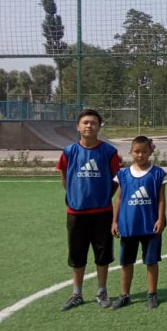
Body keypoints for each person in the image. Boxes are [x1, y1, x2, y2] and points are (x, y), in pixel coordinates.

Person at [57, 109, 122, 311]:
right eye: (85, 122)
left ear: (99, 127)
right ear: (78, 126)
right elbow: (64, 178)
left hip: (102, 213)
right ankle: (76, 294)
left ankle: (102, 292)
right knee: (77, 255)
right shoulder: (69, 152)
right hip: (76, 213)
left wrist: (104, 196)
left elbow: (117, 180)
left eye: (93, 123)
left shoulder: (109, 152)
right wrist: (76, 196)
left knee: (102, 255)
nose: (89, 126)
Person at [110, 136, 167, 309]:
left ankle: (152, 294)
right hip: (129, 226)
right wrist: (115, 221)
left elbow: (161, 200)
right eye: (137, 151)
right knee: (127, 262)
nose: (140, 155)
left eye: (144, 151)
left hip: (150, 226)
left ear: (151, 152)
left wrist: (160, 219)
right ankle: (124, 295)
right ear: (131, 152)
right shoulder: (123, 174)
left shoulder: (158, 173)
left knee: (151, 261)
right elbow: (119, 199)